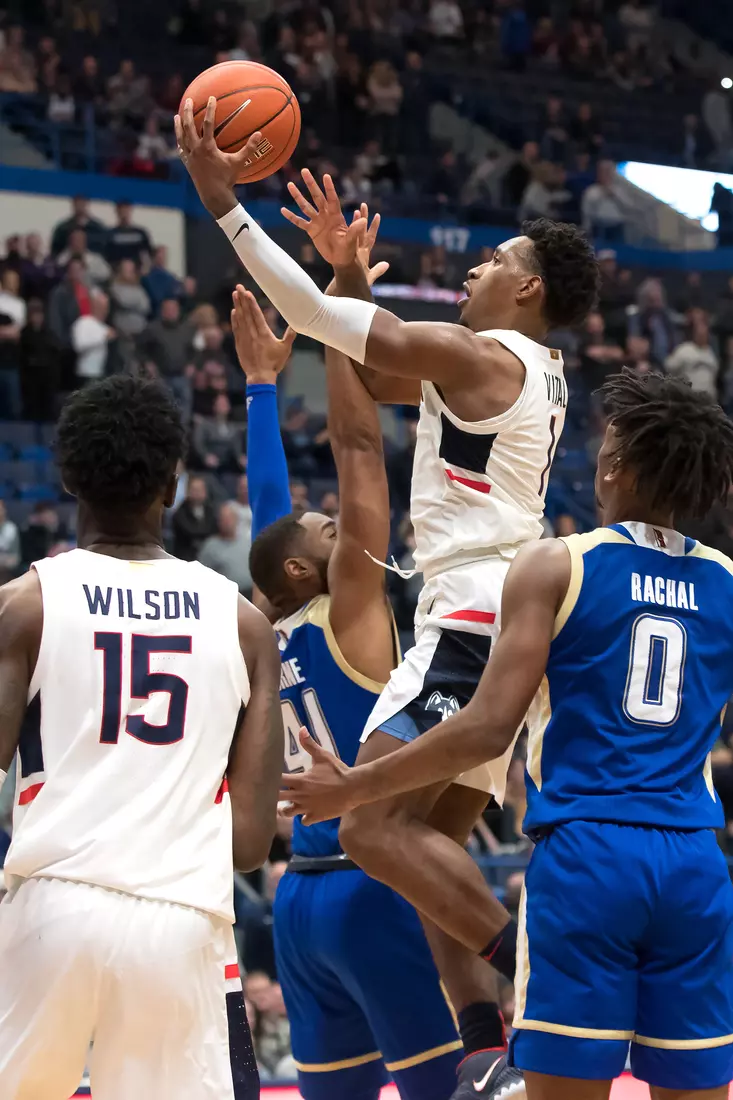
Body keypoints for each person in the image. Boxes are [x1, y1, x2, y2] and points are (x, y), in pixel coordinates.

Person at [177, 98, 599, 1098]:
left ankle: (544, 978)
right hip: (497, 608)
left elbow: (337, 344)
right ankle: (486, 1046)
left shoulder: (483, 354)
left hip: (474, 611)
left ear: (528, 288)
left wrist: (222, 203)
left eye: (492, 261)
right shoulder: (514, 371)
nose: (472, 270)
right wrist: (349, 277)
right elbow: (365, 383)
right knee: (425, 850)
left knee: (369, 827)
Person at [282, 368, 733, 1100]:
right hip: (694, 863)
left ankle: (489, 1016)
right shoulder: (726, 581)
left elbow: (487, 730)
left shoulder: (558, 562)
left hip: (589, 853)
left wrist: (356, 786)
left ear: (615, 468)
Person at [0, 373, 283, 1100]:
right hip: (180, 920)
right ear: (174, 485)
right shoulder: (244, 625)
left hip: (50, 907)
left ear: (69, 479)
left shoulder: (25, 605)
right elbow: (250, 844)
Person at [239, 218, 464, 1100]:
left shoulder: (267, 627)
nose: (343, 530)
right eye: (329, 533)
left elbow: (273, 526)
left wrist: (263, 389)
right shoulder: (353, 611)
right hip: (371, 889)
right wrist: (337, 314)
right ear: (307, 572)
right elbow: (360, 455)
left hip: (298, 903)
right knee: (443, 1087)